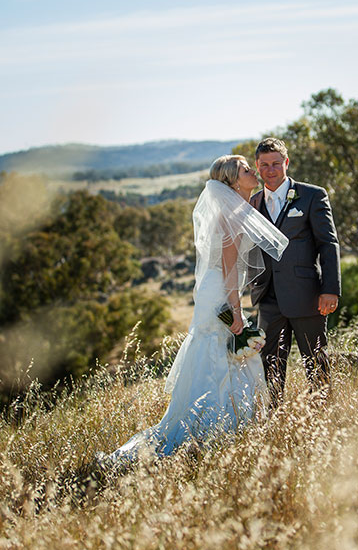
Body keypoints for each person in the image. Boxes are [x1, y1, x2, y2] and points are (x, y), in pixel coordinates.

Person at [102, 155, 288, 465]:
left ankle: (218, 425)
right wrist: (237, 311)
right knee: (220, 351)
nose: (253, 172)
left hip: (217, 290)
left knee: (222, 352)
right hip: (221, 293)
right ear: (232, 182)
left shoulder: (237, 209)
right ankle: (209, 428)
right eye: (245, 170)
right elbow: (230, 269)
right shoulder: (230, 216)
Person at [250, 137, 341, 406]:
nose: (271, 170)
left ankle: (323, 415)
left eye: (276, 163)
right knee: (270, 367)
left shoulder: (312, 195)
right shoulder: (252, 203)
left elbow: (328, 243)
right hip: (268, 299)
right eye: (264, 165)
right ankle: (276, 420)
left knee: (316, 361)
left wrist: (330, 289)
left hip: (307, 295)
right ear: (257, 166)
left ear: (286, 163)